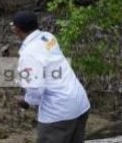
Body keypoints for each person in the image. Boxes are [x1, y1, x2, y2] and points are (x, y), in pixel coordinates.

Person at [12, 10, 90, 143]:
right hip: (80, 103)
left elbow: (36, 89)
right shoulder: (48, 37)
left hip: (58, 114)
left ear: (17, 29)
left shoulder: (28, 54)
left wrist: (26, 101)